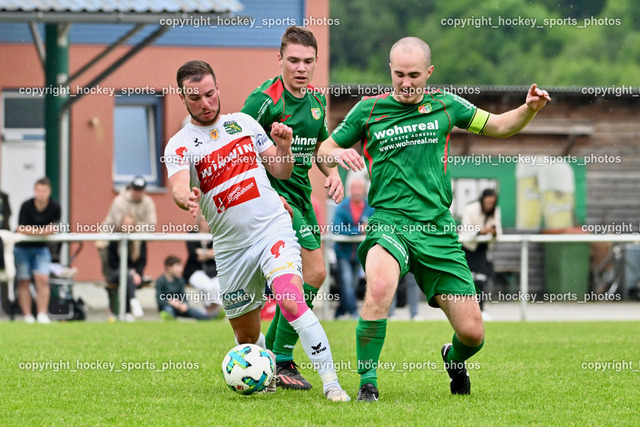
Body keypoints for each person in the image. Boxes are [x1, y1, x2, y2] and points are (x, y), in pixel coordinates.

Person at [318, 36, 550, 401]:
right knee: (378, 288)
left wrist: (529, 109)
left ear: (429, 72)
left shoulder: (446, 104)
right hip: (390, 222)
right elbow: (326, 148)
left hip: (437, 229)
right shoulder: (368, 110)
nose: (406, 83)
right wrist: (333, 166)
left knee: (473, 333)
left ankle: (453, 359)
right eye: (399, 75)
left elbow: (499, 125)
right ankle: (368, 383)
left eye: (414, 75)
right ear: (390, 71)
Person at [164, 60, 349, 401]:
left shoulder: (244, 124)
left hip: (272, 230)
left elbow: (281, 171)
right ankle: (268, 366)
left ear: (218, 88)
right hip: (231, 249)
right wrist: (183, 196)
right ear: (183, 98)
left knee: (291, 300)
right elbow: (177, 185)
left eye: (210, 94)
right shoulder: (179, 145)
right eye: (195, 98)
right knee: (246, 337)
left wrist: (284, 148)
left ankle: (332, 385)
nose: (205, 103)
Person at [241, 25, 344, 390]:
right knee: (314, 272)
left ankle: (272, 356)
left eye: (308, 61)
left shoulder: (317, 101)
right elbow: (238, 152)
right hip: (276, 201)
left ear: (316, 62)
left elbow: (321, 148)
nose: (301, 68)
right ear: (280, 59)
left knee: (308, 279)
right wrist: (265, 197)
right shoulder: (263, 101)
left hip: (302, 197)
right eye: (294, 60)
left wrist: (333, 173)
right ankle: (282, 358)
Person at [14, 177, 61, 324]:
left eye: (44, 191)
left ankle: (42, 314)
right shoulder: (26, 206)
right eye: (39, 191)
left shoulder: (55, 207)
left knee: (42, 279)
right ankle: (27, 315)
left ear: (49, 192)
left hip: (41, 248)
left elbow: (54, 228)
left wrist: (34, 232)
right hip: (22, 248)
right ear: (35, 191)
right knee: (24, 280)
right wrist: (42, 232)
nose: (42, 194)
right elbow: (21, 228)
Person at [332, 177, 373, 319]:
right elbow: (337, 229)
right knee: (347, 281)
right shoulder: (342, 207)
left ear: (364, 190)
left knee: (352, 284)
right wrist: (358, 230)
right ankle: (354, 312)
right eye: (354, 188)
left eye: (359, 188)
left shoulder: (370, 208)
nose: (356, 191)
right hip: (343, 252)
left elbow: (374, 226)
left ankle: (340, 312)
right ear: (350, 190)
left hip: (360, 253)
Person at [460, 189, 503, 321]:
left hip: (482, 250)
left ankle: (480, 310)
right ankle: (464, 311)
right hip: (468, 248)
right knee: (467, 281)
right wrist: (480, 232)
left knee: (481, 280)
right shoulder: (470, 209)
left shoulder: (496, 211)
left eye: (492, 203)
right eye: (487, 202)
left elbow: (498, 233)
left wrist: (493, 232)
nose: (489, 205)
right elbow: (465, 230)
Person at [106, 214, 146, 321]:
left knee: (128, 278)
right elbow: (111, 262)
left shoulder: (139, 240)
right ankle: (132, 304)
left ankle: (127, 311)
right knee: (126, 275)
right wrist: (128, 271)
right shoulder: (115, 239)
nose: (127, 227)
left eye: (130, 224)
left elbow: (142, 261)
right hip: (116, 272)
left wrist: (137, 273)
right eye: (125, 224)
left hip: (134, 275)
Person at [184, 213, 222, 317]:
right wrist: (210, 253)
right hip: (195, 270)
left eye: (207, 221)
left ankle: (210, 312)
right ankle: (207, 312)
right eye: (203, 221)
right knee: (206, 286)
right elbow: (195, 255)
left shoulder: (215, 235)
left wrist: (203, 252)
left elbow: (217, 254)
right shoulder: (192, 235)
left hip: (212, 271)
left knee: (217, 286)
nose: (205, 223)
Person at [157, 255, 212, 320]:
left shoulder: (180, 280)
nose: (180, 269)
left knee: (194, 312)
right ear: (169, 267)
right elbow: (159, 299)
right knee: (169, 310)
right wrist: (170, 302)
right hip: (167, 306)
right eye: (177, 266)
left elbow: (183, 296)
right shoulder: (161, 281)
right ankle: (169, 318)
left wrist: (184, 304)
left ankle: (210, 318)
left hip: (179, 307)